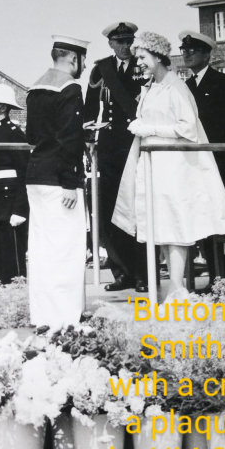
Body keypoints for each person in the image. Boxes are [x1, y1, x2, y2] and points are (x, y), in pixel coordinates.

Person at [112, 31, 225, 299]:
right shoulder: (153, 87)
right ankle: (177, 286)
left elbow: (188, 128)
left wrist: (148, 127)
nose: (139, 63)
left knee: (176, 226)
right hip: (157, 165)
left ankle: (177, 285)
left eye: (143, 57)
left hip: (174, 167)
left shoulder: (175, 87)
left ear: (158, 57)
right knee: (163, 227)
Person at [26, 34, 89, 331]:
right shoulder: (71, 88)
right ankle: (65, 319)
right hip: (58, 178)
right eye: (83, 60)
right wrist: (70, 181)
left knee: (40, 249)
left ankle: (43, 316)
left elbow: (31, 135)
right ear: (74, 59)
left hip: (36, 175)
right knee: (66, 249)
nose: (84, 66)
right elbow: (69, 138)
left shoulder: (35, 87)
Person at [179, 29, 225, 281]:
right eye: (184, 50)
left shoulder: (223, 83)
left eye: (192, 50)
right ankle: (215, 276)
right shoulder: (184, 87)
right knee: (203, 221)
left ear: (207, 54)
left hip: (223, 165)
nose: (186, 54)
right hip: (197, 166)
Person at [85, 21, 149, 292]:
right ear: (110, 44)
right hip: (111, 149)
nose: (125, 46)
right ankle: (121, 272)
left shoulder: (144, 66)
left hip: (137, 144)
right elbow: (90, 108)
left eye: (128, 41)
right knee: (111, 211)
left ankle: (144, 275)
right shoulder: (102, 69)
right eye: (119, 41)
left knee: (138, 211)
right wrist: (88, 140)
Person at [0, 84, 30, 283]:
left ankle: (15, 290)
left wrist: (20, 208)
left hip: (9, 198)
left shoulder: (14, 133)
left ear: (2, 108)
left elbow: (25, 171)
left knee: (12, 251)